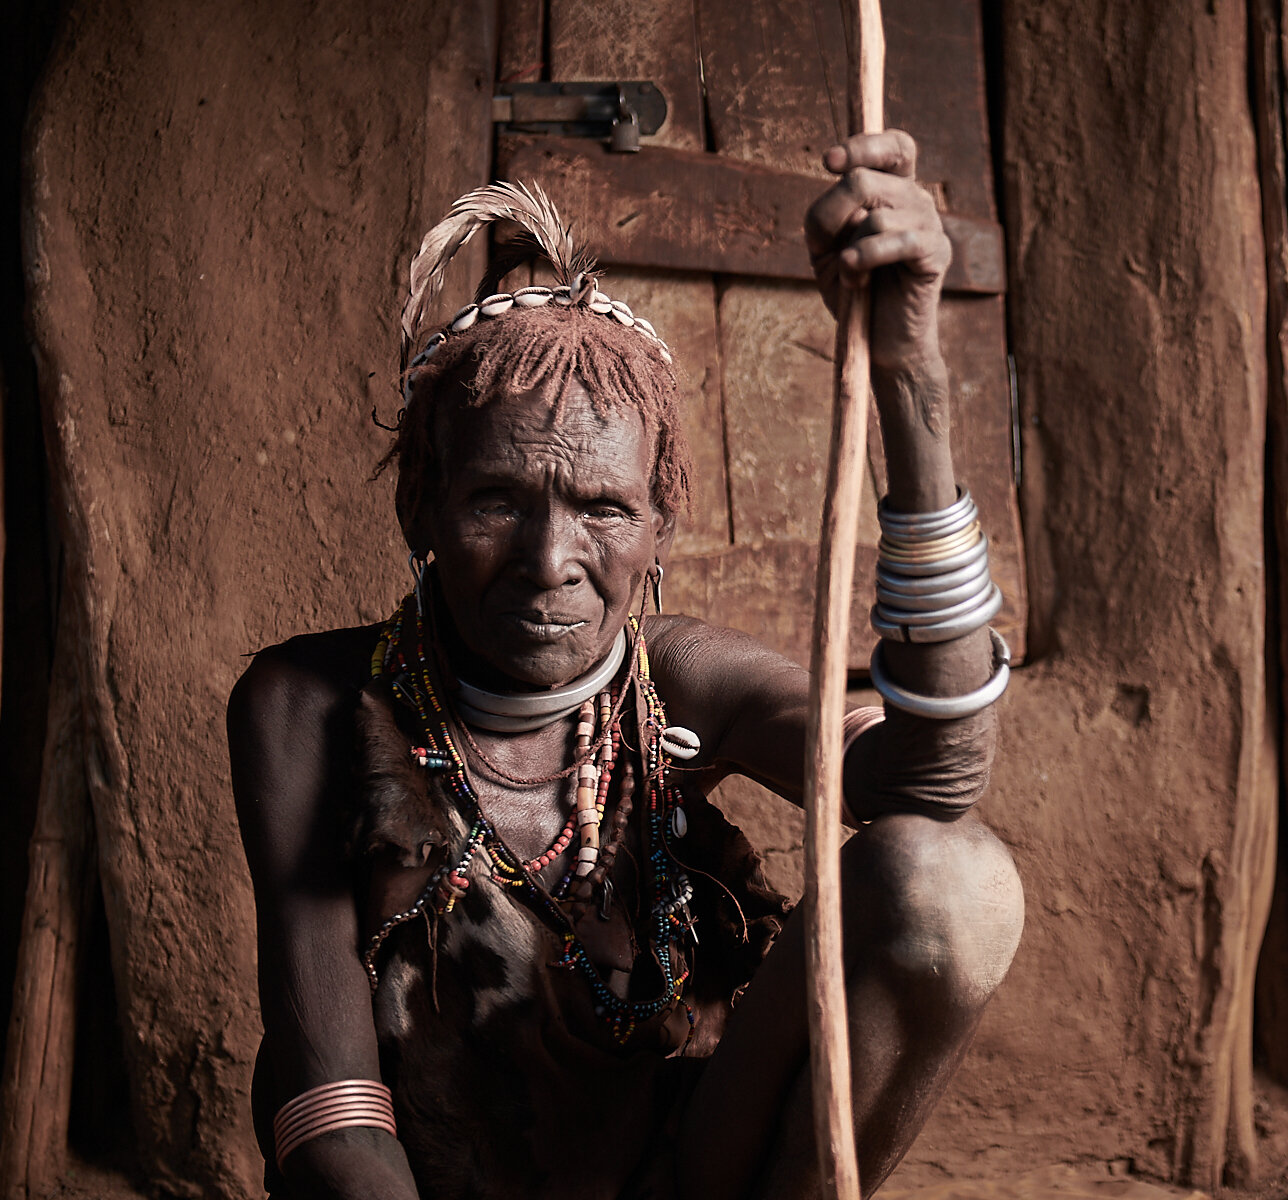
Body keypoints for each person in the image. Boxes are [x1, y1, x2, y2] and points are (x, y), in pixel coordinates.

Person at [228, 129, 1025, 1200]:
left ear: (660, 527)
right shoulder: (311, 707)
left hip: (681, 1174)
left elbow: (934, 784)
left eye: (604, 507)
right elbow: (332, 1113)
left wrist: (909, 371)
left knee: (951, 883)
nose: (549, 562)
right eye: (496, 501)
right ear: (420, 506)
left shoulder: (676, 682)